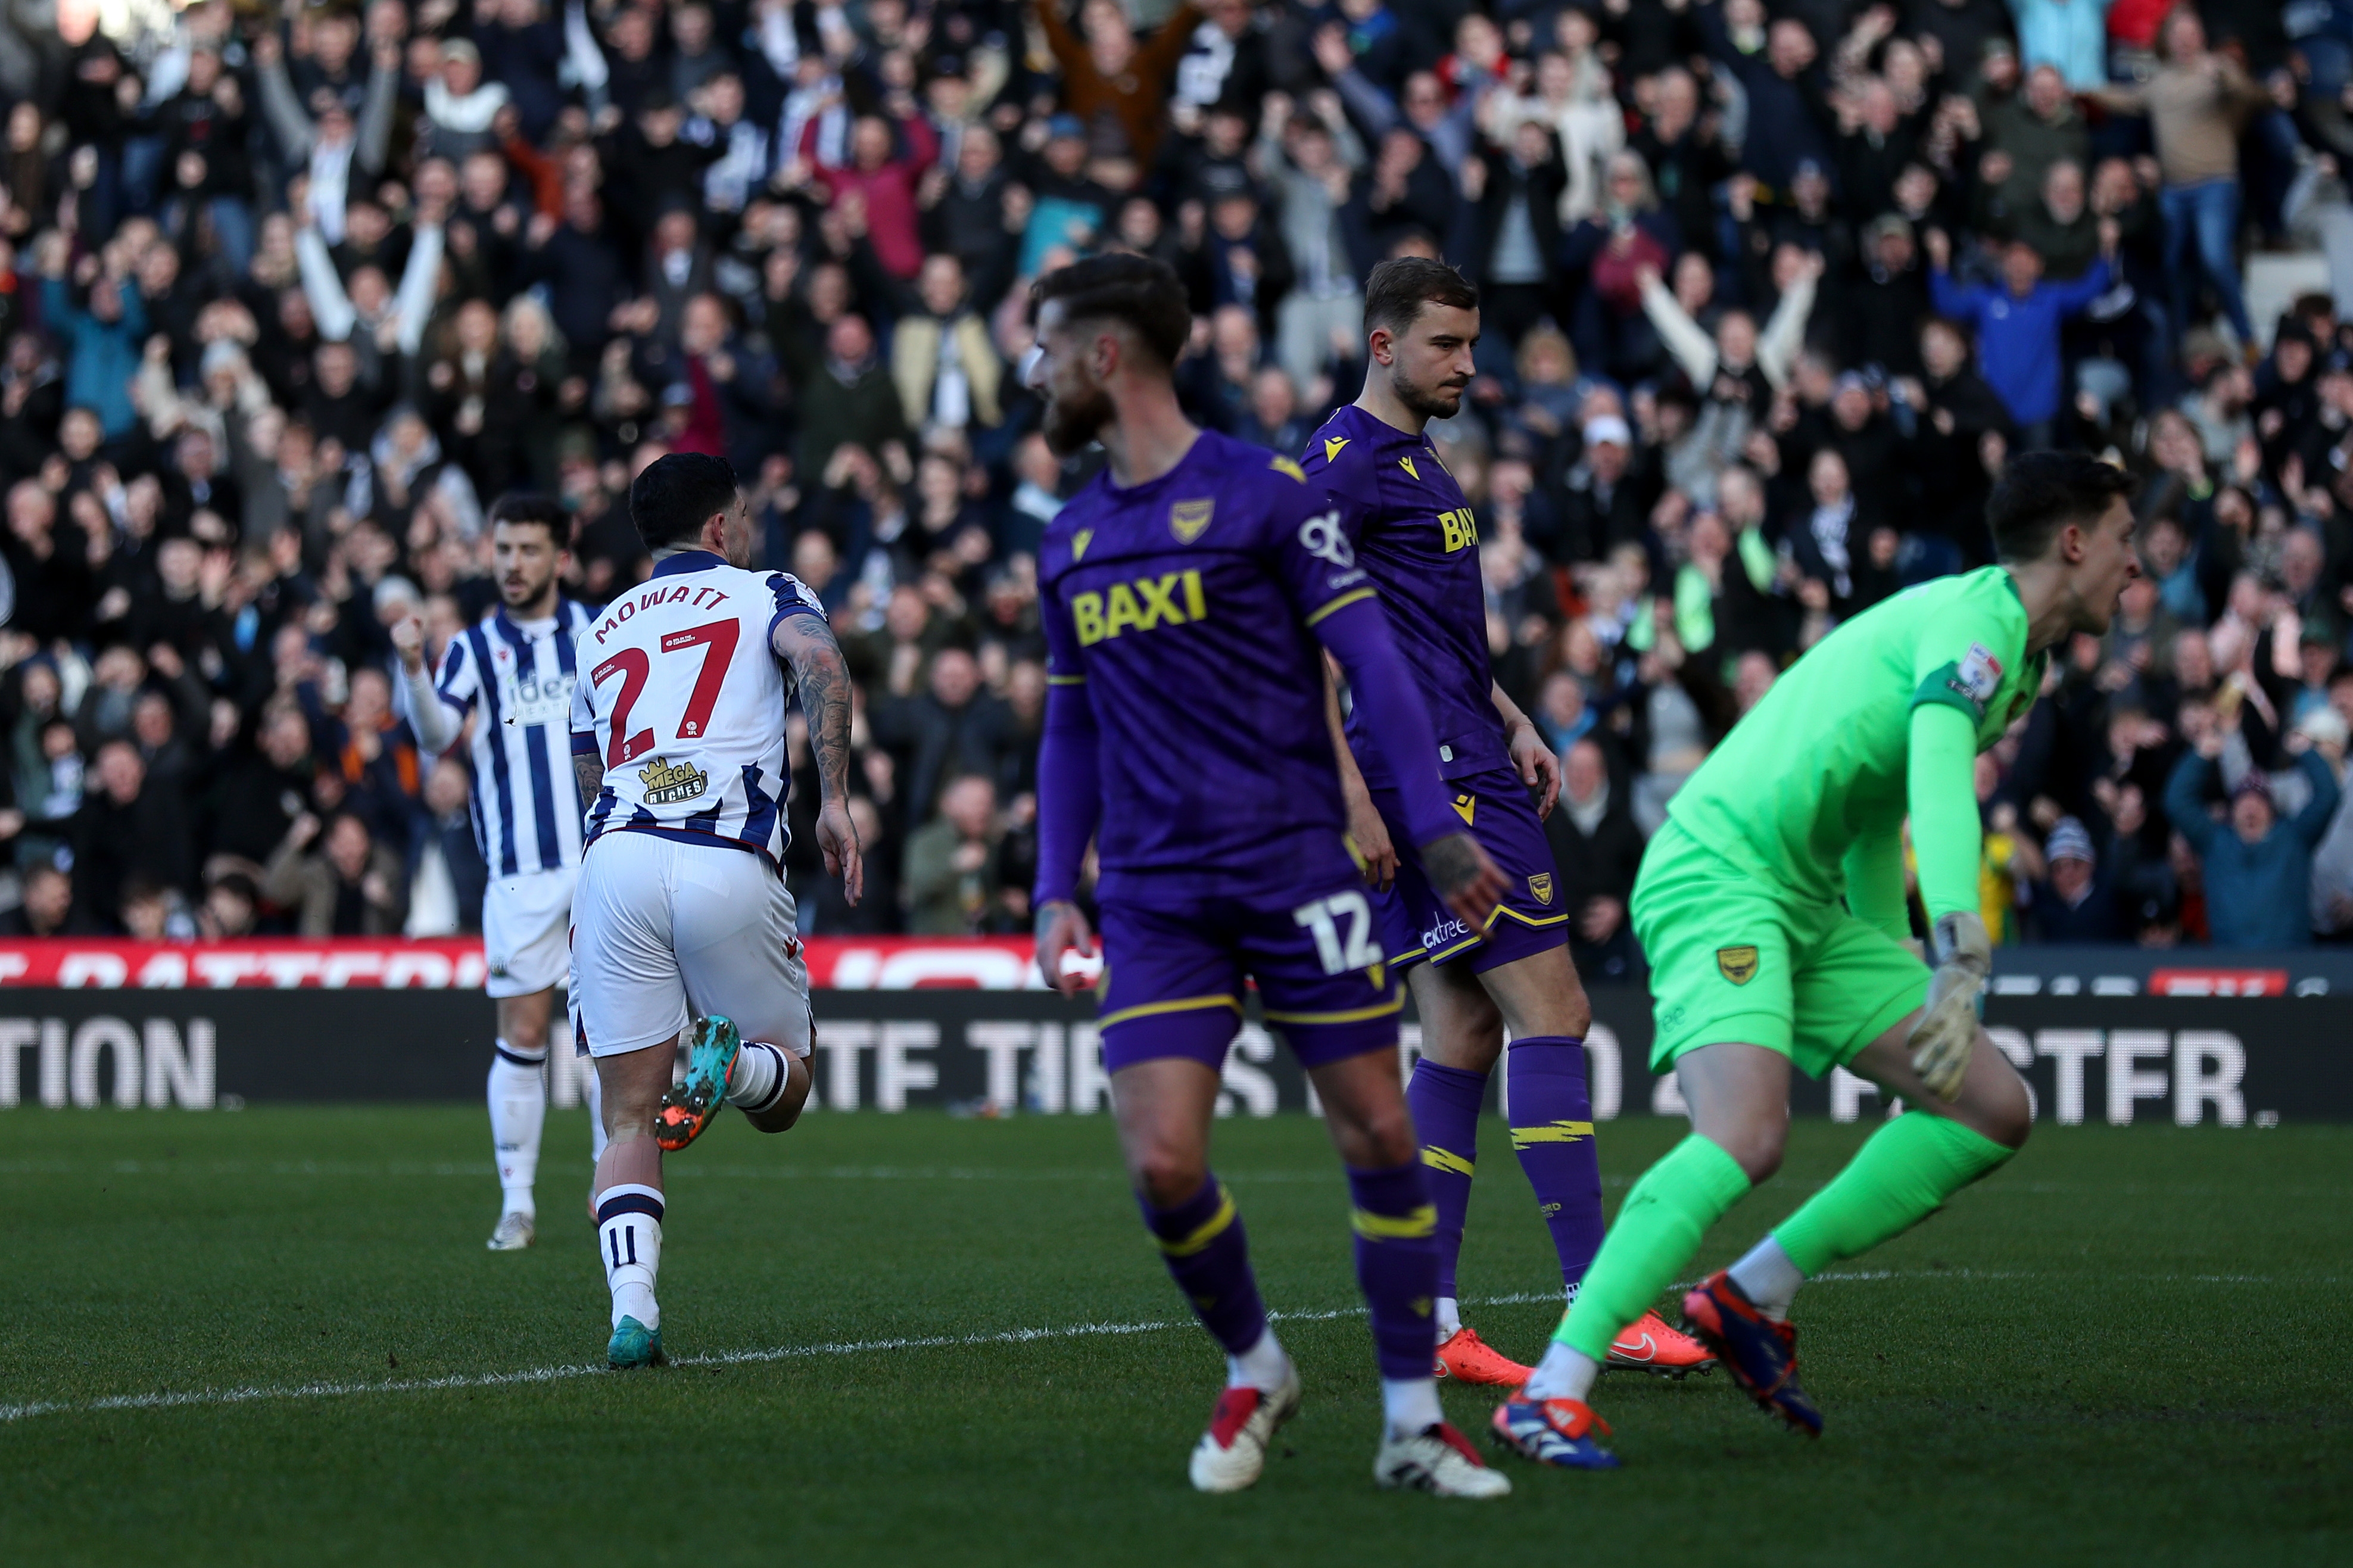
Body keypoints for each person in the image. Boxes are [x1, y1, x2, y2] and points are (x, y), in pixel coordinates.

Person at [1492, 453, 2137, 1469]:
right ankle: (1549, 1388)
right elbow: (1932, 775)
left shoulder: (2024, 662)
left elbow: (1877, 807)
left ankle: (1749, 1293)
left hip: (1804, 895)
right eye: (2124, 539)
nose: (2132, 565)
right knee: (1748, 1134)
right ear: (2075, 541)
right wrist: (1957, 951)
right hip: (1720, 873)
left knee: (1991, 1106)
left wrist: (1893, 972)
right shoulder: (1983, 623)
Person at [1025, 254, 1512, 1498]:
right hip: (1153, 890)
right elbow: (1069, 725)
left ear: (1103, 356)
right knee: (1163, 1162)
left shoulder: (1267, 495)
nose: (1029, 371)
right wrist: (1050, 883)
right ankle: (1256, 1358)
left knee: (1376, 1125)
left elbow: (1377, 668)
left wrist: (1432, 826)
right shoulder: (1070, 536)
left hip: (1295, 866)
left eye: (1043, 346)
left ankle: (1410, 1416)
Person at [1302, 257, 1710, 1388]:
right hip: (1432, 776)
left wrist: (1519, 712)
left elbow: (1432, 633)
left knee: (1466, 1033)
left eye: (1473, 345)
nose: (1469, 365)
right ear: (1383, 345)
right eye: (1446, 345)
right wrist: (1346, 790)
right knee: (1555, 1006)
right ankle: (1602, 1301)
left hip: (1465, 747)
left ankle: (1430, 1318)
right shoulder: (1343, 466)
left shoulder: (1416, 459)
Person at [567, 451, 862, 1370]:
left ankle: (634, 1315)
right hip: (723, 855)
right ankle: (729, 1069)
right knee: (787, 1091)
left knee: (627, 1117)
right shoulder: (763, 588)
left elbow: (589, 767)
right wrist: (836, 798)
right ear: (719, 530)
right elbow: (820, 662)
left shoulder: (603, 626)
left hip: (613, 859)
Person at [394, 495, 600, 1252]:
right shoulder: (476, 647)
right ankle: (517, 1202)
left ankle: (612, 1172)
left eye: (529, 550)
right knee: (522, 1035)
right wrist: (414, 667)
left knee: (610, 1033)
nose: (513, 564)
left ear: (560, 558)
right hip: (519, 873)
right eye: (503, 549)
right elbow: (436, 734)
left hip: (603, 862)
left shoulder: (597, 632)